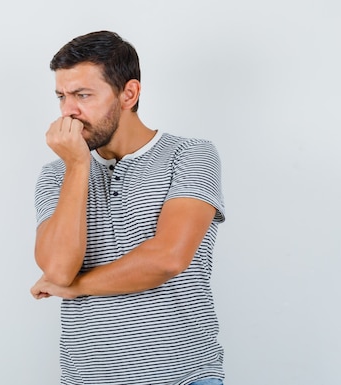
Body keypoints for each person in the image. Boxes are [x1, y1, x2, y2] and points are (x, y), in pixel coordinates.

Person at [30, 30, 226, 385]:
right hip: (85, 378)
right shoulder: (55, 174)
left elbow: (167, 258)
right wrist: (77, 167)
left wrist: (78, 287)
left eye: (83, 95)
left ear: (129, 94)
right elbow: (57, 272)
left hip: (180, 376)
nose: (68, 111)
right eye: (61, 97)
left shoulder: (190, 155)